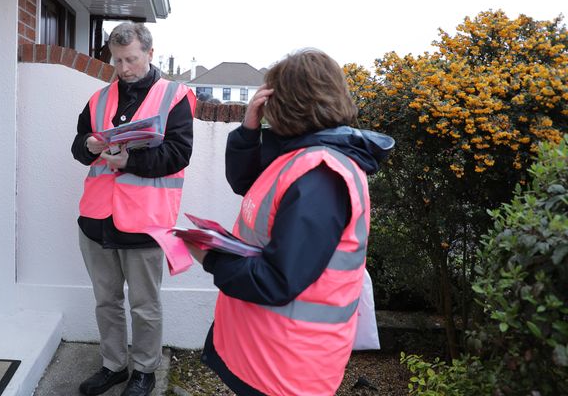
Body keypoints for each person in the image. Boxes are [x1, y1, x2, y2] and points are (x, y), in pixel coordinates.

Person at [187, 49, 394, 395]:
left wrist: (210, 257)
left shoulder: (321, 176)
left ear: (285, 104)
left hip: (286, 367)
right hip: (267, 350)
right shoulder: (302, 151)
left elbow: (277, 280)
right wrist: (249, 129)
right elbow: (245, 182)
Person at [71, 22, 196, 396]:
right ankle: (113, 366)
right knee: (106, 301)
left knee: (144, 305)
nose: (124, 68)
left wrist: (130, 163)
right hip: (96, 219)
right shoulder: (98, 99)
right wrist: (89, 147)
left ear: (150, 54)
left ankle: (144, 371)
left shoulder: (175, 96)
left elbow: (179, 154)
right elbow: (78, 147)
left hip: (144, 222)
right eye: (117, 60)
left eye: (131, 59)